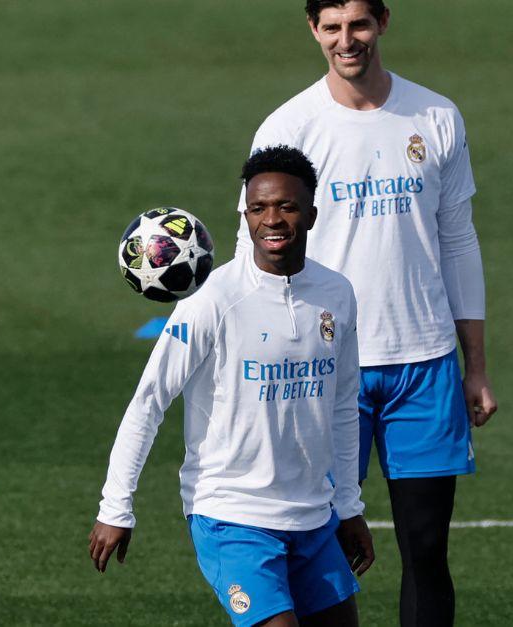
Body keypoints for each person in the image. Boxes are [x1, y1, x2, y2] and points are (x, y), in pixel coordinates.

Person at [234, 2, 497, 624]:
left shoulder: (436, 116)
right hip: (325, 368)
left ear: (382, 23)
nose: (346, 41)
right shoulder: (288, 126)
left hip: (424, 365)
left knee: (427, 548)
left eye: (358, 25)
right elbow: (256, 251)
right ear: (313, 31)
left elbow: (458, 241)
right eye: (331, 28)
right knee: (318, 546)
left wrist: (476, 366)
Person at [90, 146, 375, 627]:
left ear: (311, 214)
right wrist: (115, 507)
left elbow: (345, 405)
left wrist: (348, 507)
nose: (273, 220)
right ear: (245, 215)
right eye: (259, 208)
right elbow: (148, 404)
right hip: (232, 514)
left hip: (312, 517)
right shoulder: (212, 301)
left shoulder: (337, 293)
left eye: (286, 206)